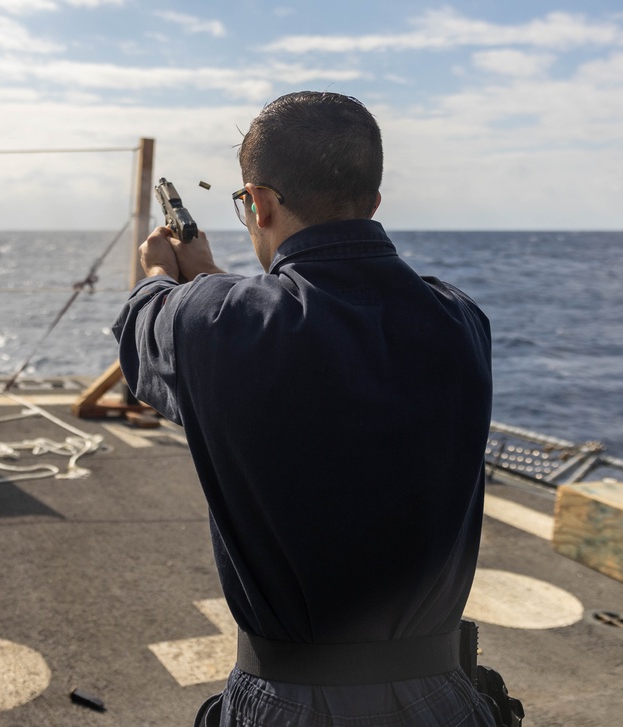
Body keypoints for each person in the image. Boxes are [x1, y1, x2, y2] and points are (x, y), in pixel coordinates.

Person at [113, 91, 497, 726]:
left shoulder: (213, 324)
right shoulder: (460, 320)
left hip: (290, 703)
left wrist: (161, 272)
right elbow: (317, 323)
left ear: (258, 203)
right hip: (443, 698)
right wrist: (209, 281)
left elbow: (142, 329)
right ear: (374, 203)